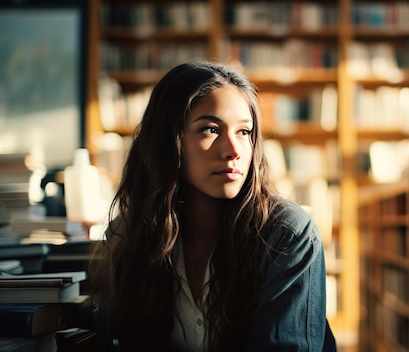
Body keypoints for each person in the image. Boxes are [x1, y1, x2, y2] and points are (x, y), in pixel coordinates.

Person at [88, 60, 337, 352]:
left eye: (244, 132)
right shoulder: (133, 236)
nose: (233, 150)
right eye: (210, 129)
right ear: (169, 141)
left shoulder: (288, 236)